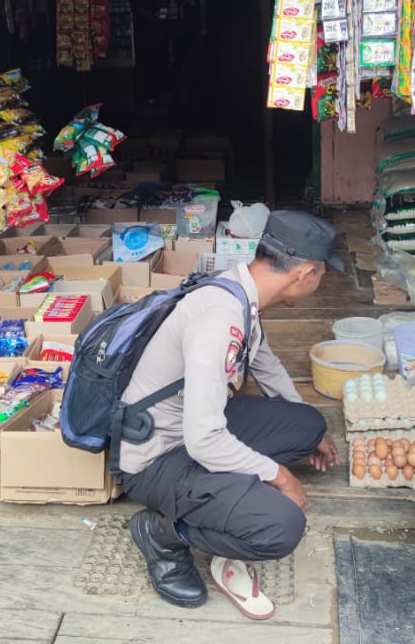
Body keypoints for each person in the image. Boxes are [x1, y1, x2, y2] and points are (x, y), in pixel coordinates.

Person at [118, 210, 343, 621]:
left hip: (192, 429)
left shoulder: (240, 291)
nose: (318, 283)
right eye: (323, 275)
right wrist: (280, 475)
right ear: (306, 273)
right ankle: (163, 535)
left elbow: (267, 365)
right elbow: (204, 439)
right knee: (281, 526)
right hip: (157, 457)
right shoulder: (219, 319)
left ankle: (229, 484)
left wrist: (314, 433)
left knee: (308, 422)